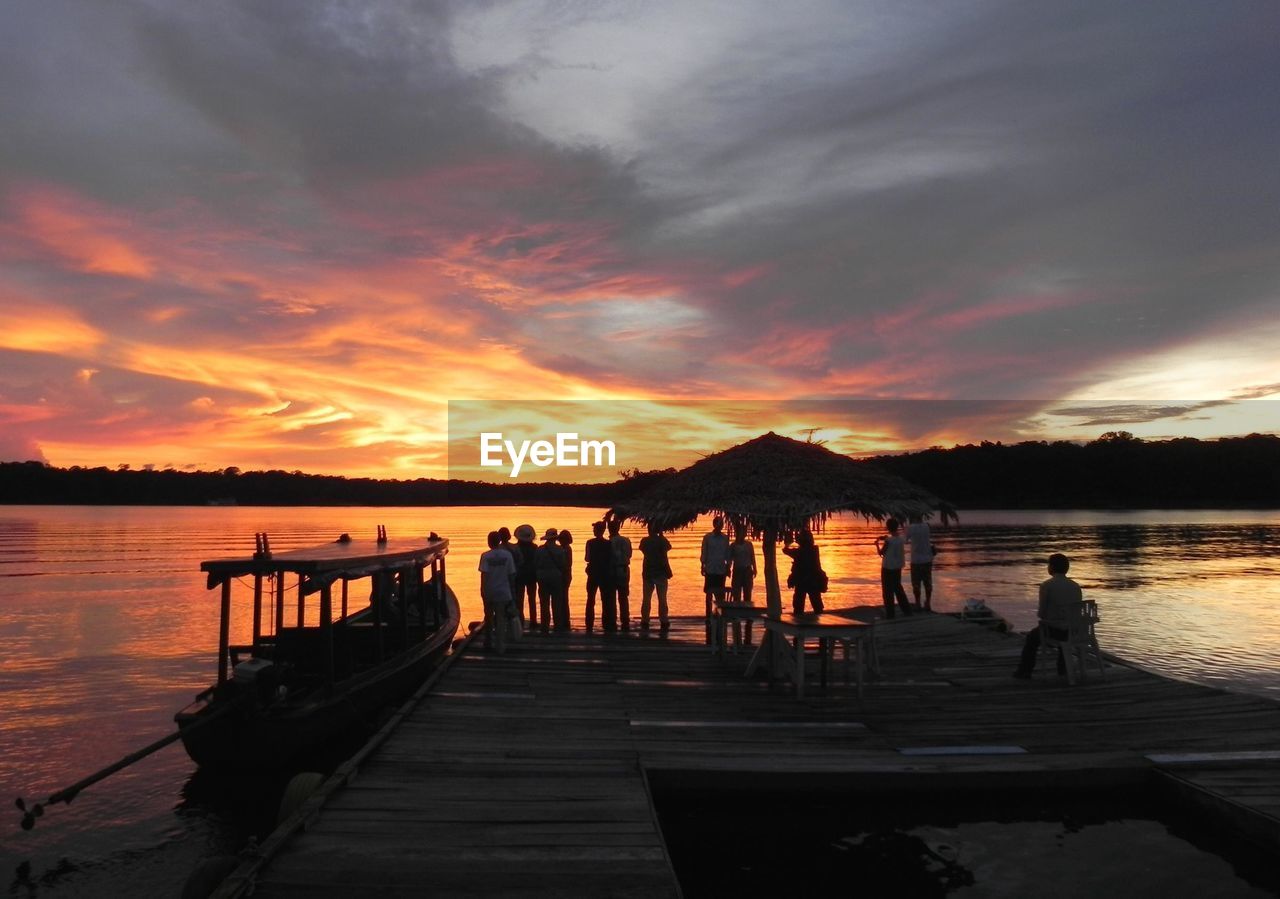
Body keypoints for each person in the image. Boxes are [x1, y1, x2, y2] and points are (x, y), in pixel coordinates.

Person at [1014, 553, 1083, 679]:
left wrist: (1045, 615)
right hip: (1073, 631)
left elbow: (1042, 614)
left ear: (1051, 567)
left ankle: (1025, 671)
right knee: (1064, 630)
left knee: (1031, 638)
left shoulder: (1047, 585)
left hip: (1055, 631)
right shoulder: (1075, 586)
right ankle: (1062, 668)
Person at [478, 530, 518, 654]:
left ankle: (488, 641)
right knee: (501, 619)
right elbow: (511, 575)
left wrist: (483, 591)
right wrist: (513, 592)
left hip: (490, 590)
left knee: (488, 618)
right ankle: (500, 646)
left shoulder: (485, 556)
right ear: (499, 541)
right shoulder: (507, 555)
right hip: (503, 591)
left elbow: (484, 575)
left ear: (489, 542)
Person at [700, 516, 731, 643]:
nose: (721, 526)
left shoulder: (725, 538)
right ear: (714, 524)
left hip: (720, 569)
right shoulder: (707, 537)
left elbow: (727, 554)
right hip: (710, 568)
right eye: (719, 523)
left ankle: (719, 615)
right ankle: (708, 615)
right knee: (708, 594)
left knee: (719, 595)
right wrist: (702, 565)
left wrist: (728, 567)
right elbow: (704, 552)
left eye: (722, 523)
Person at [638, 523, 673, 633]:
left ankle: (645, 620)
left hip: (648, 572)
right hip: (661, 573)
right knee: (662, 599)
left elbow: (642, 549)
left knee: (646, 598)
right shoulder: (662, 541)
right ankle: (663, 620)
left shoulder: (644, 541)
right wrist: (661, 536)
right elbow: (669, 547)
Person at [875, 518, 913, 618]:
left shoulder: (888, 541)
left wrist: (877, 545)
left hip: (887, 568)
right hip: (897, 567)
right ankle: (907, 610)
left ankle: (890, 613)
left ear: (888, 527)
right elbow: (894, 538)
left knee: (887, 592)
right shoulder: (901, 539)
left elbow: (881, 553)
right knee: (898, 588)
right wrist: (885, 538)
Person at [584, 521, 617, 632]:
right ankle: (606, 623)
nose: (593, 531)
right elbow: (611, 558)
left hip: (593, 574)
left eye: (594, 529)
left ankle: (589, 624)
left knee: (590, 599)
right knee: (605, 600)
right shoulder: (608, 544)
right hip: (605, 574)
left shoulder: (590, 543)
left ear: (598, 530)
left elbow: (587, 558)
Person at [783, 530, 825, 614]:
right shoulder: (814, 550)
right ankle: (819, 618)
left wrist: (787, 543)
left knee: (799, 606)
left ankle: (799, 621)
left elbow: (785, 550)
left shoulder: (800, 552)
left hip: (802, 581)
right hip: (813, 581)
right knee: (817, 605)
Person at [729, 528, 758, 645]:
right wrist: (728, 569)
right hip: (737, 570)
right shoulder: (733, 545)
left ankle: (747, 615)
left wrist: (755, 568)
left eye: (743, 533)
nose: (742, 534)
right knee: (736, 593)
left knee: (747, 593)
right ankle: (736, 614)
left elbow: (752, 557)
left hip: (747, 570)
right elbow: (730, 559)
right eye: (740, 532)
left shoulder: (749, 545)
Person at [535, 528, 567, 631]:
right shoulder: (560, 550)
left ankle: (545, 626)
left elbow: (537, 564)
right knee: (557, 603)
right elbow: (563, 565)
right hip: (556, 577)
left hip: (543, 578)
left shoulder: (540, 550)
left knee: (544, 603)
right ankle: (558, 626)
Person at [905, 513, 935, 612]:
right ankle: (928, 603)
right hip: (927, 559)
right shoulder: (927, 526)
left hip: (916, 560)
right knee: (928, 583)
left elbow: (905, 540)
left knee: (916, 583)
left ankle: (918, 604)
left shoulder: (911, 527)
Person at [608, 517, 633, 631]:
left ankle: (612, 620)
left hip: (613, 570)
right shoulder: (626, 540)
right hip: (624, 570)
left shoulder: (609, 542)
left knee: (612, 597)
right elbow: (630, 554)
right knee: (623, 597)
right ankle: (625, 620)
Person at [496, 526, 524, 630]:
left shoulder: (498, 549)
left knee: (503, 603)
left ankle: (504, 624)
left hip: (502, 580)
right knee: (516, 601)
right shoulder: (515, 548)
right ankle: (518, 623)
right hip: (515, 577)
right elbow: (521, 561)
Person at [514, 524, 539, 627]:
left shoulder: (516, 548)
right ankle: (533, 621)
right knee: (532, 599)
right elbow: (537, 561)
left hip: (519, 576)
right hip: (532, 576)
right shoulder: (535, 547)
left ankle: (520, 620)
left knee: (519, 600)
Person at [557, 528, 575, 630]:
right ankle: (564, 620)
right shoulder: (566, 548)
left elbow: (567, 564)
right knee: (563, 598)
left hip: (565, 575)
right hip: (566, 575)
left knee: (563, 598)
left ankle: (564, 620)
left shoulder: (566, 549)